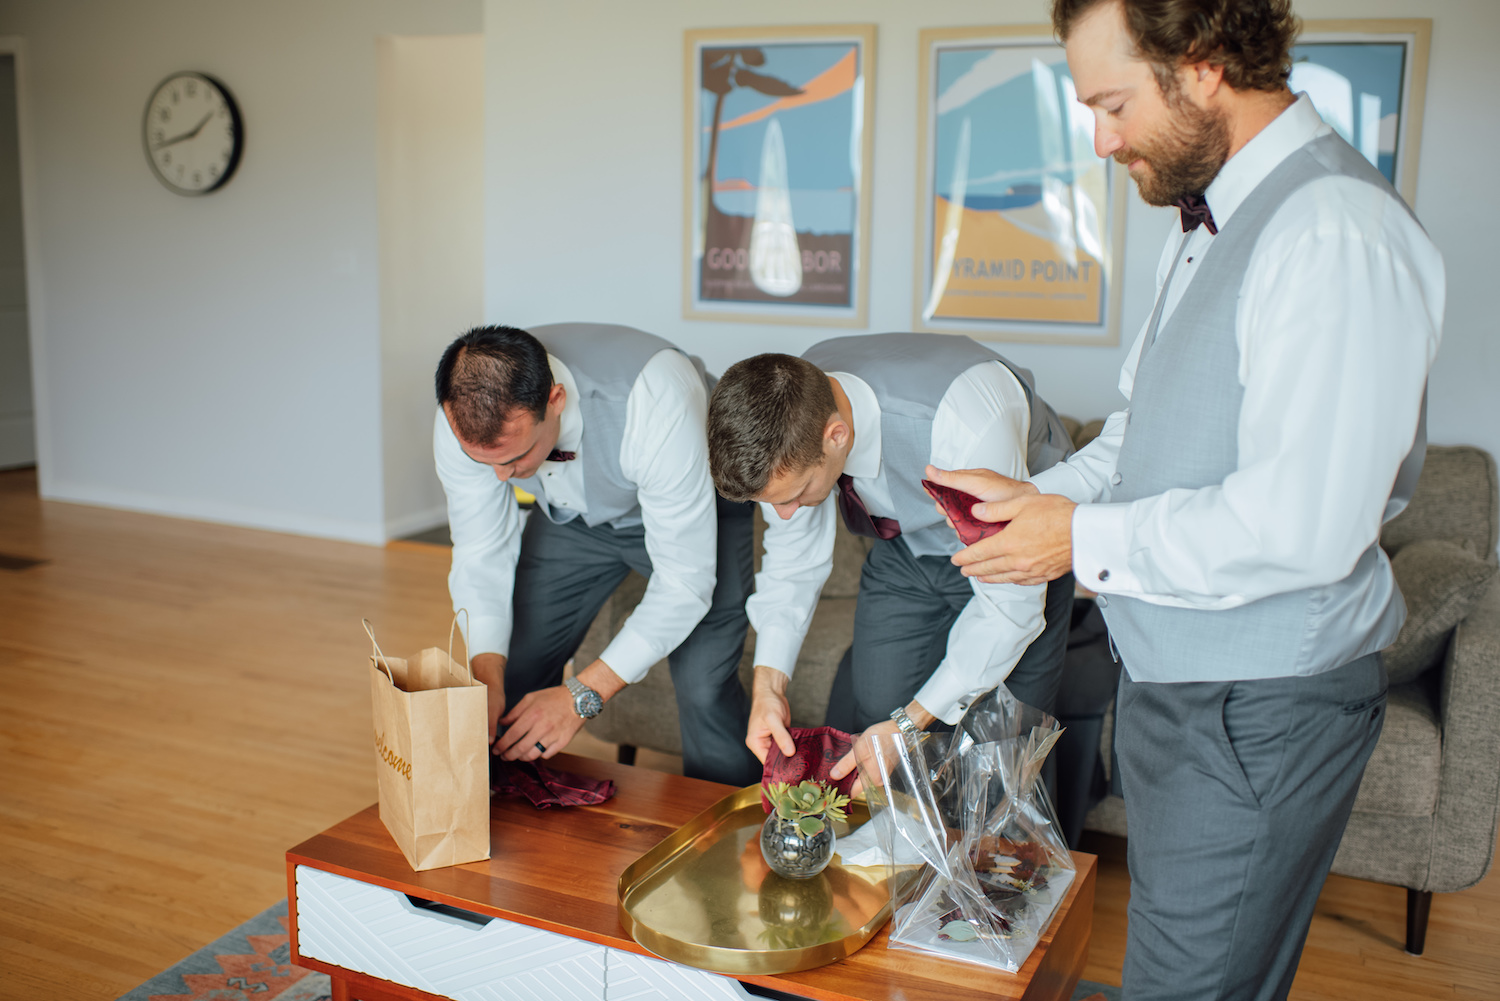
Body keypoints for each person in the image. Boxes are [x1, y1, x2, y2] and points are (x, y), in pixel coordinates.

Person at [927, 0, 1444, 997]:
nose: (1102, 138)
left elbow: (1305, 527)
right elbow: (1142, 431)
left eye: (1113, 102)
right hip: (1179, 687)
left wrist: (1075, 536)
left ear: (1202, 64)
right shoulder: (1207, 223)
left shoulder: (1335, 231)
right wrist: (1036, 496)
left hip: (1258, 710)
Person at [705, 333, 1075, 785]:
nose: (783, 514)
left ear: (836, 435)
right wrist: (768, 687)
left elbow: (1010, 612)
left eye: (797, 494)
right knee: (873, 711)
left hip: (1022, 546)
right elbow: (792, 561)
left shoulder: (964, 418)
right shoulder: (791, 407)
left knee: (1005, 746)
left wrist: (909, 723)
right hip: (907, 549)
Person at [433, 323, 761, 787]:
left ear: (555, 401)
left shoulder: (655, 395)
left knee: (703, 688)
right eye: (486, 463)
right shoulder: (460, 414)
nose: (502, 478)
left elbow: (684, 582)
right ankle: (501, 818)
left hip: (698, 514)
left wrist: (581, 695)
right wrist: (485, 671)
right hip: (572, 521)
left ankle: (734, 833)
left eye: (515, 457)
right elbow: (479, 550)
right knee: (511, 669)